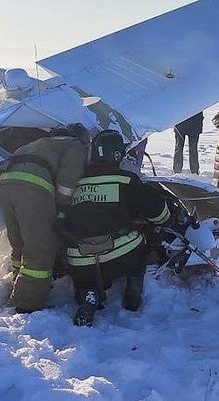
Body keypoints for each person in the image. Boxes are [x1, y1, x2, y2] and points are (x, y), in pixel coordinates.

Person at [62, 129, 172, 327]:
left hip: (80, 260)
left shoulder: (75, 184)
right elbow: (160, 216)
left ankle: (88, 292)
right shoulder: (126, 180)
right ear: (118, 155)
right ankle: (133, 292)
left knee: (86, 273)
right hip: (119, 257)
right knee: (142, 242)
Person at [0, 123, 90, 314]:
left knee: (20, 244)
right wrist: (63, 210)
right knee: (41, 248)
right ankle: (26, 304)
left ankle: (17, 286)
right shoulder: (74, 145)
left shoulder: (39, 143)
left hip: (4, 185)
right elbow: (68, 180)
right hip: (33, 188)